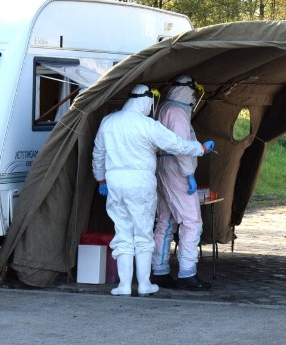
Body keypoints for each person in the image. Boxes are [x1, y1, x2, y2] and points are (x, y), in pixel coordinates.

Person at [92, 83, 215, 297]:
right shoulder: (147, 125)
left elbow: (98, 154)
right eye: (150, 103)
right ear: (145, 101)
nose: (151, 108)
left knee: (122, 233)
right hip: (140, 183)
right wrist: (201, 149)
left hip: (115, 182)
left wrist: (101, 180)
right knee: (142, 233)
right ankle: (144, 284)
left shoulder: (108, 122)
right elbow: (178, 144)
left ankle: (122, 286)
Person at [151, 75, 212, 290]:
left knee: (165, 221)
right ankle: (187, 273)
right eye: (194, 93)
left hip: (161, 167)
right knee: (191, 221)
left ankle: (159, 270)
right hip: (176, 168)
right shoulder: (177, 113)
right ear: (189, 92)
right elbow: (181, 147)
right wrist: (190, 174)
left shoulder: (164, 108)